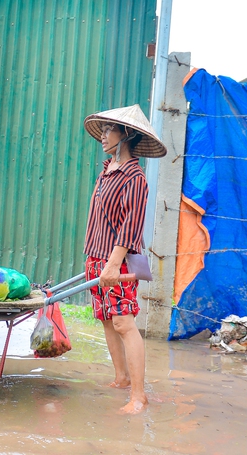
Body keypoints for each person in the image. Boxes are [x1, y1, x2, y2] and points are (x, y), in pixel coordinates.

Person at [82, 104, 167, 414]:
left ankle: (139, 396)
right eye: (103, 130)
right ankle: (120, 379)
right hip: (97, 254)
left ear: (127, 134)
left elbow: (131, 225)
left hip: (117, 260)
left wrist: (113, 264)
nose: (104, 136)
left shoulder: (135, 178)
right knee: (106, 319)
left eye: (110, 130)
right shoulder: (106, 170)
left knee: (123, 322)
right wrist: (96, 258)